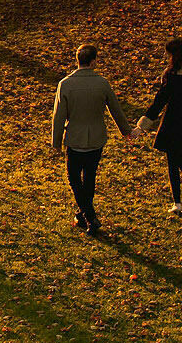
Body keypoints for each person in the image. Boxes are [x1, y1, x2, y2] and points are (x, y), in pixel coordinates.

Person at [50, 44, 134, 236]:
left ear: (77, 60)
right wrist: (126, 131)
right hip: (96, 138)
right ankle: (84, 214)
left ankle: (90, 216)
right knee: (89, 178)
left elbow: (59, 116)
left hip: (75, 138)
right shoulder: (102, 83)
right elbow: (116, 110)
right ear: (94, 61)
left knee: (73, 179)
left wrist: (56, 142)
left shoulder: (66, 84)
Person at [137, 37, 182, 214]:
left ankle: (178, 202)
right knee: (180, 158)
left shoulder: (172, 74)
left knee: (173, 160)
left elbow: (161, 100)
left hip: (174, 120)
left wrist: (144, 123)